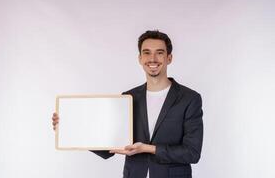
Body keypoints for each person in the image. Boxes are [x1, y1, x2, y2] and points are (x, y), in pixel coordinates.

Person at [52, 30, 203, 178]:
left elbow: (192, 152)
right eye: (147, 52)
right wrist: (70, 128)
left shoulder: (189, 99)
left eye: (159, 52)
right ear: (140, 58)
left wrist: (148, 149)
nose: (153, 58)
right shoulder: (128, 98)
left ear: (169, 58)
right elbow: (109, 144)